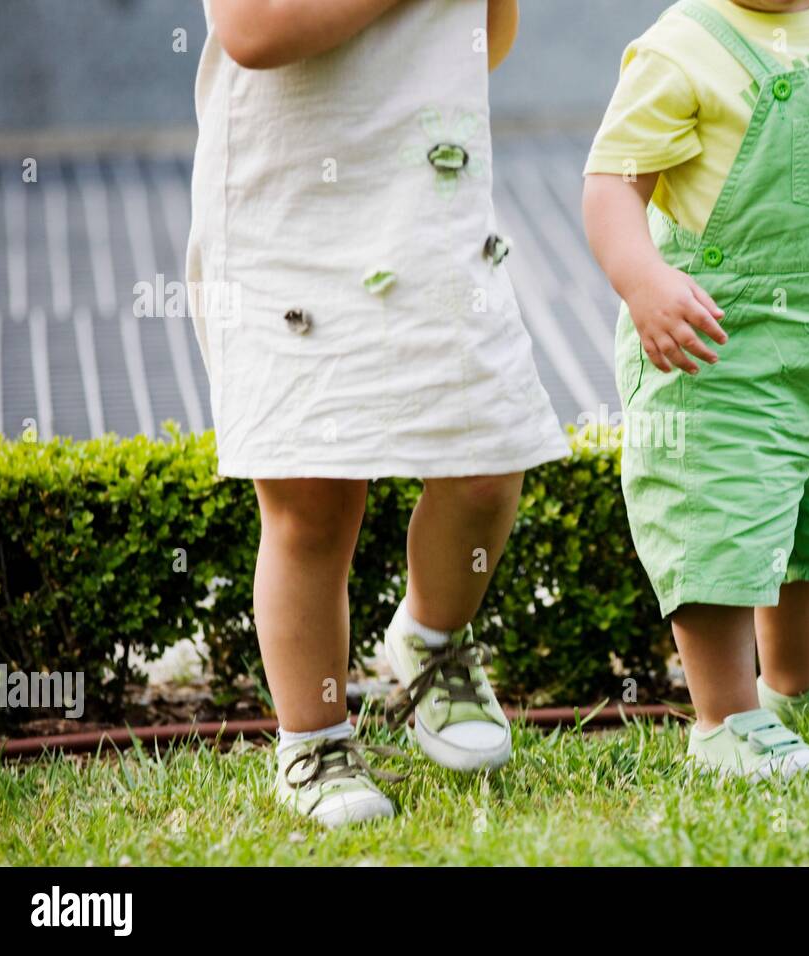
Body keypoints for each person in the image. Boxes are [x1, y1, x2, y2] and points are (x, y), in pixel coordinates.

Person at [186, 0, 567, 826]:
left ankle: (432, 637)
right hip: (289, 209)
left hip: (430, 209)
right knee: (313, 498)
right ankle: (314, 739)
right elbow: (250, 29)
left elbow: (488, 42)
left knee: (488, 458)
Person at [583, 0, 809, 778]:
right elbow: (609, 187)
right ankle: (724, 719)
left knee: (808, 502)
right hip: (724, 341)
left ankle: (796, 685)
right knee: (721, 509)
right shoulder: (680, 51)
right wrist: (644, 280)